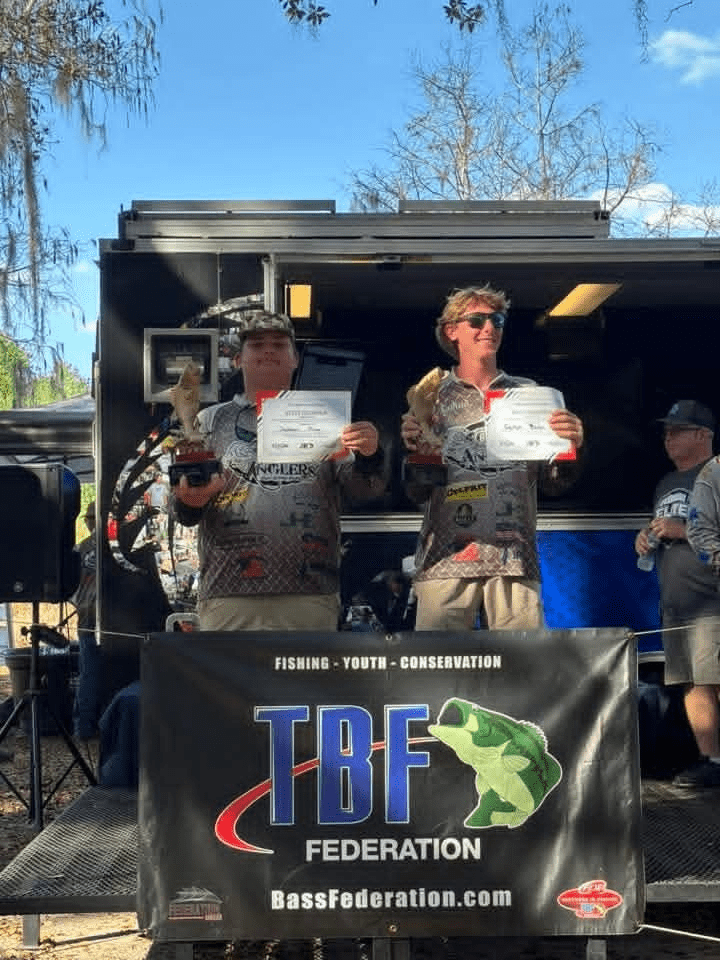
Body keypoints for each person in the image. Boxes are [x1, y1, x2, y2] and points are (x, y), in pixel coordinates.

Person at [172, 309, 386, 631]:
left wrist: (370, 454)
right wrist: (191, 500)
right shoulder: (208, 421)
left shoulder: (324, 417)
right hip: (228, 593)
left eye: (279, 344)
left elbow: (364, 490)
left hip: (310, 593)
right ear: (238, 360)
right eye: (257, 345)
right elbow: (182, 511)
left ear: (295, 359)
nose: (268, 351)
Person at [401, 284, 584, 631]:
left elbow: (555, 485)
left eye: (497, 320)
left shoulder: (530, 394)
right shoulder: (430, 396)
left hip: (514, 557)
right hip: (444, 558)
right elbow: (417, 492)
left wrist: (570, 448)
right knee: (439, 663)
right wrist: (418, 455)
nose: (489, 328)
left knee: (521, 663)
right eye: (477, 320)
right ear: (451, 331)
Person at [655, 400, 720, 787]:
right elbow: (663, 527)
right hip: (676, 603)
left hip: (712, 600)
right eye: (666, 432)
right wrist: (646, 537)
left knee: (716, 678)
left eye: (677, 430)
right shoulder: (666, 482)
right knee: (692, 683)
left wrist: (680, 531)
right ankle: (711, 760)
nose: (668, 438)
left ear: (703, 434)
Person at [71, 500, 101, 739]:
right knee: (92, 674)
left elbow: (69, 590)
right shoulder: (112, 549)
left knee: (87, 674)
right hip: (103, 619)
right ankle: (88, 727)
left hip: (85, 617)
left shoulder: (80, 549)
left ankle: (83, 726)